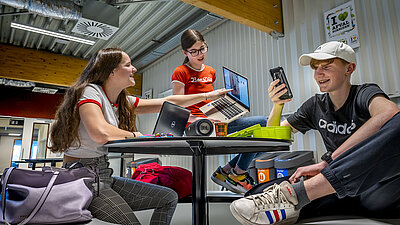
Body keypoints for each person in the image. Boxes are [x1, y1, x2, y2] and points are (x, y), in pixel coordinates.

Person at [49, 47, 230, 225]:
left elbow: (167, 102)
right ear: (112, 72)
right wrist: (136, 135)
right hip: (83, 178)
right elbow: (100, 133)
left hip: (103, 173)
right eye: (128, 65)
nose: (134, 69)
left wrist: (208, 95)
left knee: (168, 197)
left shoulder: (119, 100)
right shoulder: (90, 92)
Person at [229, 41, 400, 225]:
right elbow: (274, 136)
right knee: (255, 194)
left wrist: (328, 162)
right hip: (339, 184)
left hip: (376, 185)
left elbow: (389, 113)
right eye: (315, 68)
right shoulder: (315, 105)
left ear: (349, 68)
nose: (319, 74)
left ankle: (299, 196)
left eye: (326, 67)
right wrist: (277, 106)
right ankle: (309, 199)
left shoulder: (364, 93)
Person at [171, 29, 267, 194]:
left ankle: (226, 171)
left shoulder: (211, 72)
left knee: (264, 129)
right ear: (185, 52)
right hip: (196, 126)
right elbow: (176, 107)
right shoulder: (180, 72)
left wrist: (225, 107)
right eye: (193, 51)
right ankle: (237, 173)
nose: (199, 54)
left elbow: (208, 103)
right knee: (260, 128)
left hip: (214, 120)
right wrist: (199, 120)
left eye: (202, 48)